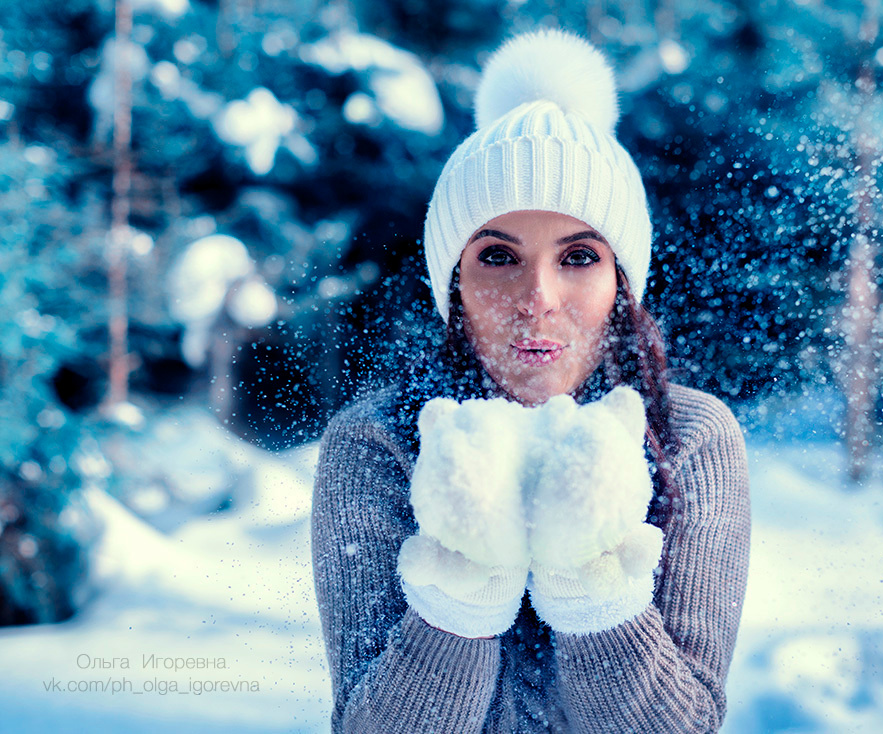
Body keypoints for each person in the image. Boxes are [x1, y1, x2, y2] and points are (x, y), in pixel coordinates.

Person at [311, 28, 751, 733]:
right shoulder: (376, 446)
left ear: (622, 283)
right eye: (497, 256)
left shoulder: (691, 438)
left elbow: (685, 726)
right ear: (452, 285)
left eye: (578, 255)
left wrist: (593, 589)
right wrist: (460, 593)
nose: (537, 296)